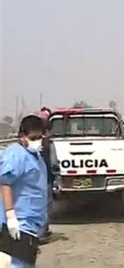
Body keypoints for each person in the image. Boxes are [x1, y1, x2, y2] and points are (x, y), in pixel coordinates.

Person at [0, 115, 48, 268]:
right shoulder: (16, 154)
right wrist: (10, 215)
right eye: (33, 138)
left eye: (40, 137)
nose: (37, 141)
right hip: (19, 223)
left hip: (31, 223)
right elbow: (5, 182)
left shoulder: (35, 156)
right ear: (22, 136)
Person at [38, 119, 59, 244]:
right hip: (46, 178)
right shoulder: (49, 144)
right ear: (47, 131)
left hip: (32, 179)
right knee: (46, 206)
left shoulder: (29, 143)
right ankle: (42, 232)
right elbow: (54, 162)